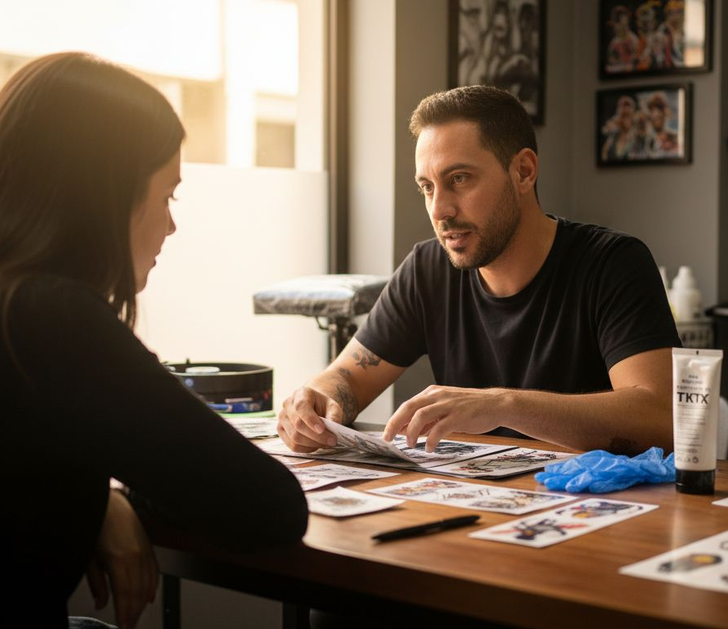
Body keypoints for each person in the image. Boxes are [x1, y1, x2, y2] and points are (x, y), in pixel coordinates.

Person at [0, 52, 307, 628]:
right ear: (105, 194)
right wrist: (117, 494)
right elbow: (268, 509)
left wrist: (102, 498)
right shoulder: (46, 319)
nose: (170, 224)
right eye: (167, 195)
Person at [278, 85, 678, 458]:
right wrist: (314, 400)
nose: (440, 211)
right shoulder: (427, 270)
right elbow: (346, 379)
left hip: (601, 514)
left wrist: (503, 405)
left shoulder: (613, 263)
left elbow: (662, 418)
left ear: (523, 171)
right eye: (428, 187)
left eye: (459, 179)